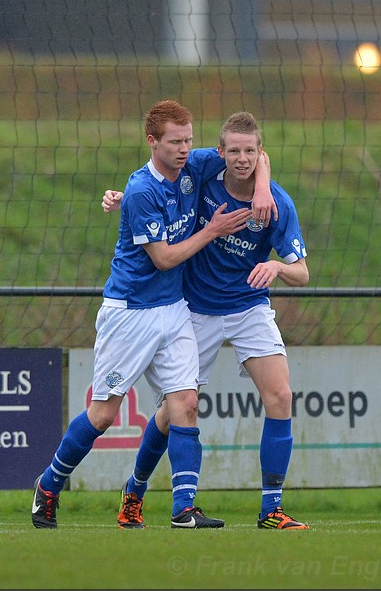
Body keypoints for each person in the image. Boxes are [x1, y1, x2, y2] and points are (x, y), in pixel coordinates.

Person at [32, 100, 268, 531]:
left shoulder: (194, 165)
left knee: (186, 403)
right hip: (130, 314)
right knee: (103, 415)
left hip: (174, 310)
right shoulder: (141, 191)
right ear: (152, 142)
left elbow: (253, 153)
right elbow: (163, 258)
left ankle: (184, 508)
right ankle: (49, 484)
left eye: (189, 140)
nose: (185, 149)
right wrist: (211, 230)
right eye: (175, 142)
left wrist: (265, 188)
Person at [102, 112, 310, 530]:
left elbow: (302, 272)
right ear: (220, 153)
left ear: (260, 153)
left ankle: (271, 509)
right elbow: (157, 184)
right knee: (175, 409)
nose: (242, 159)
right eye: (233, 150)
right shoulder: (199, 172)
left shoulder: (277, 204)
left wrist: (277, 267)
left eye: (250, 151)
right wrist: (124, 199)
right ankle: (135, 492)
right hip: (196, 308)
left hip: (249, 306)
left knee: (281, 396)